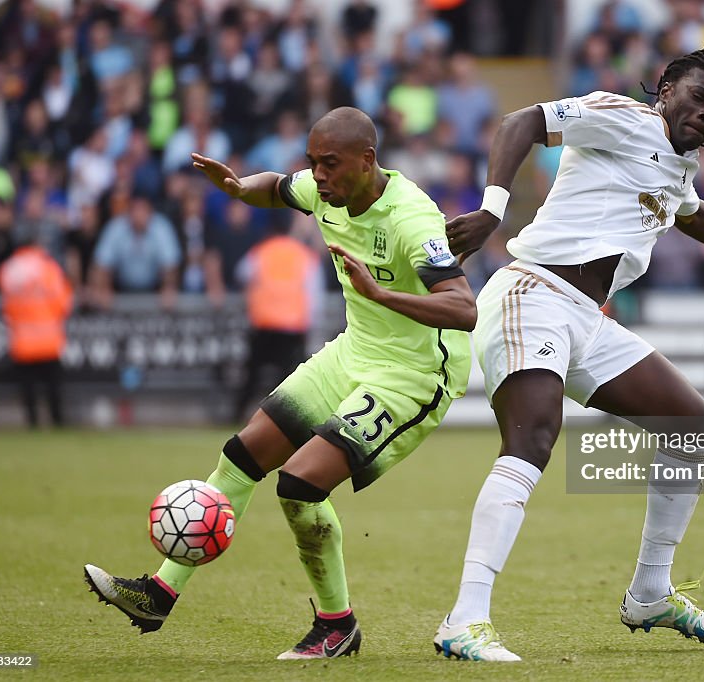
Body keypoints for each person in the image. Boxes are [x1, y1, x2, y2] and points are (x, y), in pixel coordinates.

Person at [433, 34, 704, 661]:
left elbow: (691, 213)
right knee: (532, 440)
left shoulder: (677, 165)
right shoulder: (624, 116)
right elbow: (522, 120)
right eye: (697, 97)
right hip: (534, 291)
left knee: (691, 426)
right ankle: (464, 619)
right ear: (665, 92)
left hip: (587, 316)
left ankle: (650, 592)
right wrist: (494, 210)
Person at [83, 107, 476, 660]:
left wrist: (382, 294)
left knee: (298, 484)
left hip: (414, 373)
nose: (317, 175)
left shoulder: (411, 219)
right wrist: (242, 188)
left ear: (367, 162)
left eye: (329, 165)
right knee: (243, 454)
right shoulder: (325, 191)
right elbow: (277, 188)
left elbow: (463, 308)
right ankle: (159, 592)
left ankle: (336, 626)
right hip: (354, 352)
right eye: (312, 163)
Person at [231, 222, 323, 423]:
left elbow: (242, 273)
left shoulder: (263, 251)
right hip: (293, 326)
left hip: (263, 323)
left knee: (252, 375)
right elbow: (314, 293)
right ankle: (286, 419)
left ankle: (236, 415)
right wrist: (310, 323)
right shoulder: (303, 254)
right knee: (289, 378)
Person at [0, 232, 74, 428]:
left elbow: (7, 306)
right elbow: (63, 301)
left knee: (28, 387)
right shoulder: (48, 267)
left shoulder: (8, 269)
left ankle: (32, 423)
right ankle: (57, 422)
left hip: (21, 338)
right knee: (53, 386)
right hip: (48, 338)